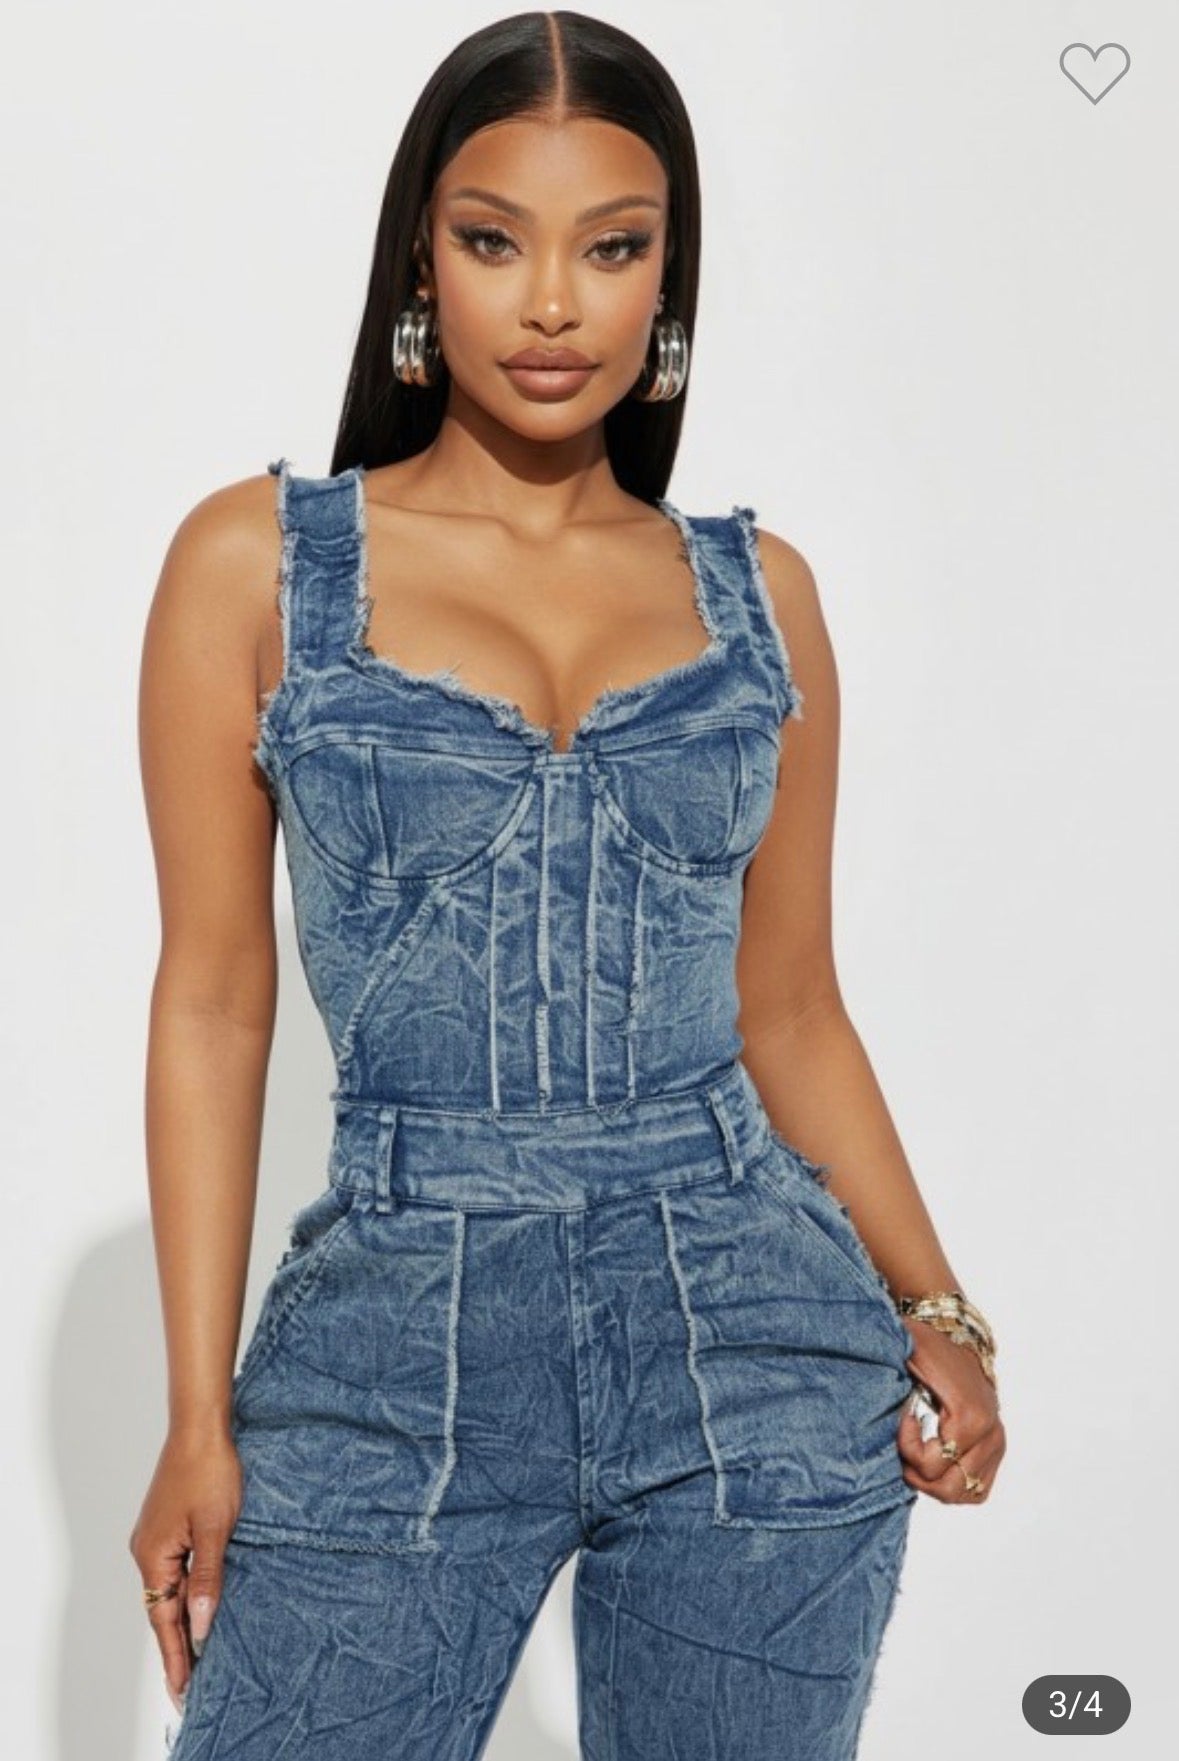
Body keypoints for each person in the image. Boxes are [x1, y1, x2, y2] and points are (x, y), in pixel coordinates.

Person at [129, 12, 1006, 1758]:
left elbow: (789, 1006)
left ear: (668, 278)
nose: (552, 304)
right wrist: (197, 1420)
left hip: (752, 1350)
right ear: (419, 259)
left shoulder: (761, 593)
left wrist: (938, 1303)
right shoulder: (258, 565)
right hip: (387, 1356)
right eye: (493, 240)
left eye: (612, 248)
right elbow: (214, 1003)